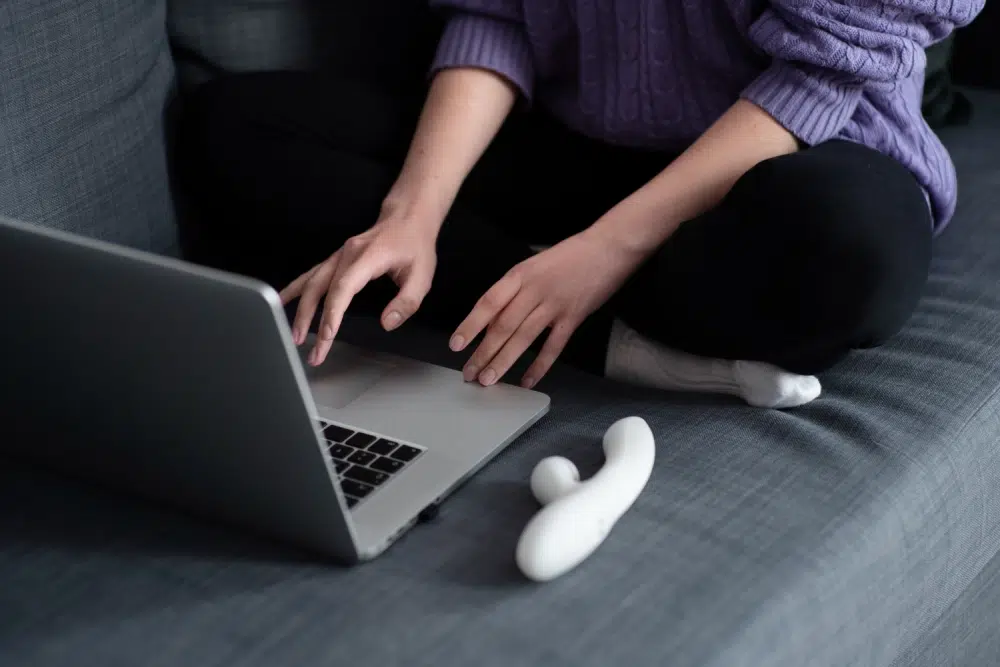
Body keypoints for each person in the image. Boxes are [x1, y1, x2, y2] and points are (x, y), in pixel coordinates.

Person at [176, 0, 983, 409]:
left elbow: (818, 75)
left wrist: (606, 248)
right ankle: (620, 343)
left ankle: (547, 286)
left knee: (855, 252)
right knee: (235, 127)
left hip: (787, 157)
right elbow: (496, 16)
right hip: (572, 148)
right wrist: (412, 213)